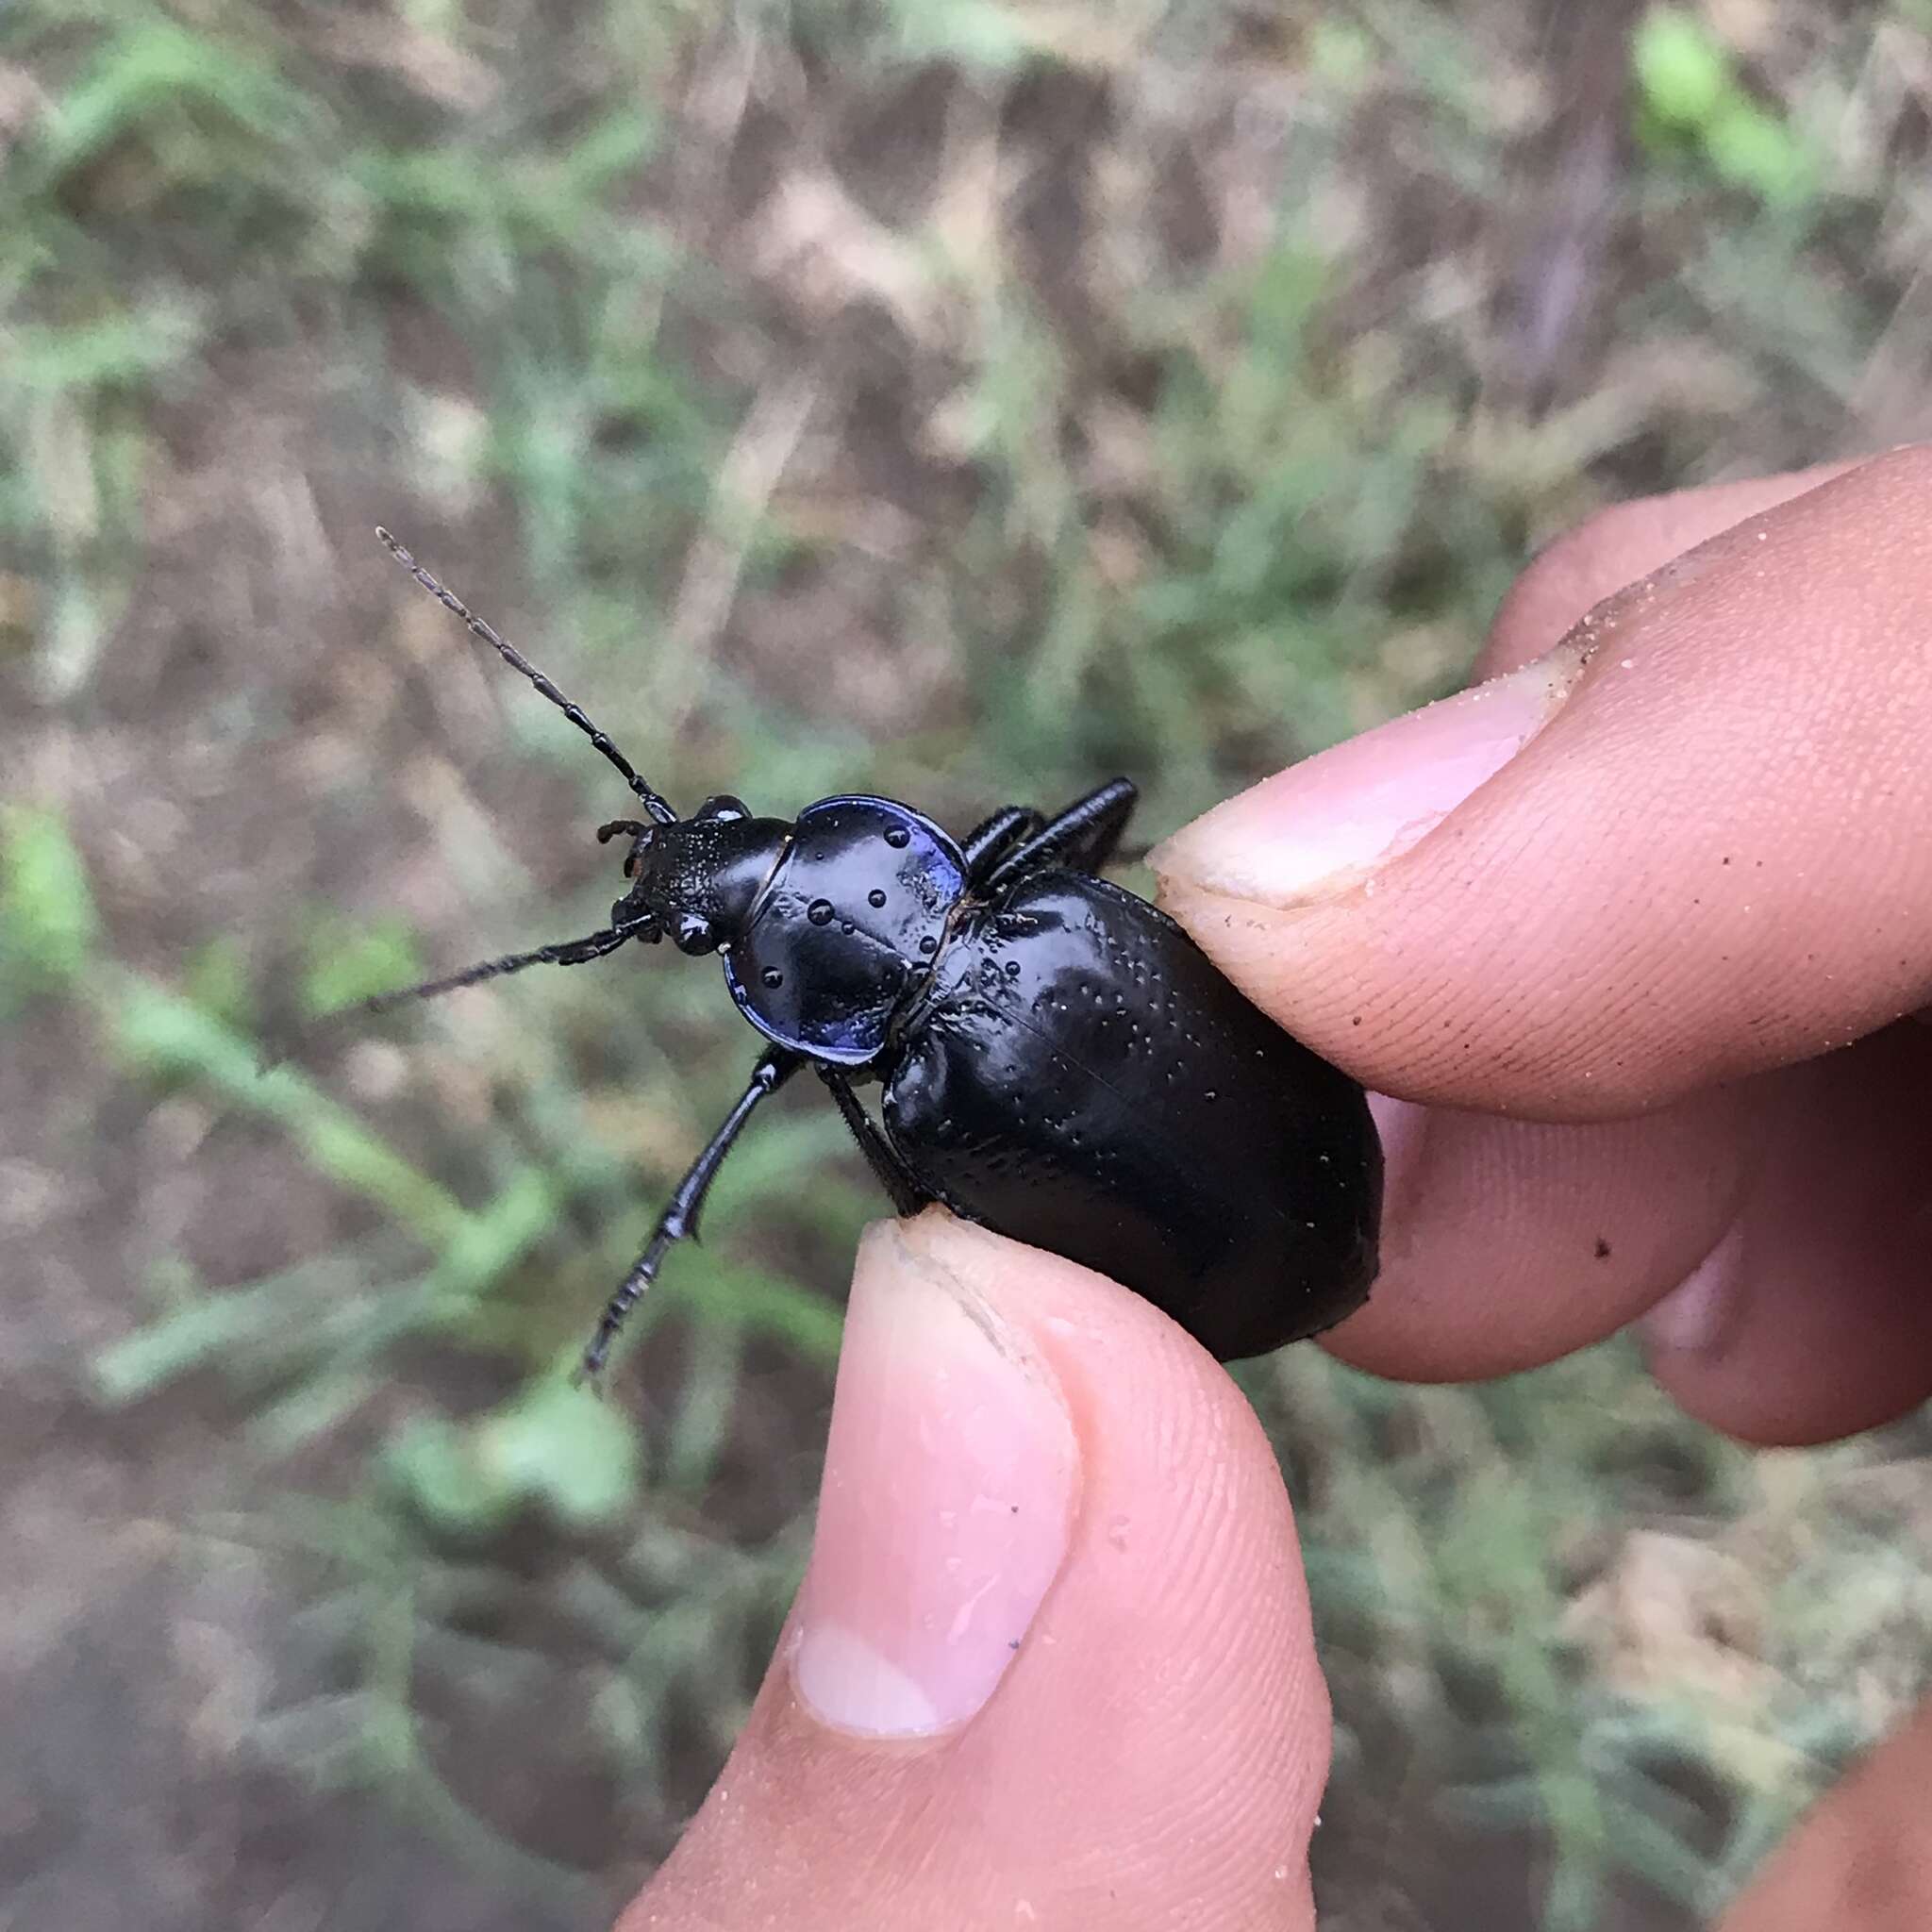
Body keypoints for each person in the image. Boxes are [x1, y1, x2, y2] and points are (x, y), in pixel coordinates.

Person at [620, 448, 1932, 1931]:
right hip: (1295, 1182)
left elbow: (869, 1143)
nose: (702, 866)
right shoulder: (1035, 910)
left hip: (1287, 1219)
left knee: (933, 1207)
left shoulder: (924, 1065)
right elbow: (1104, 819)